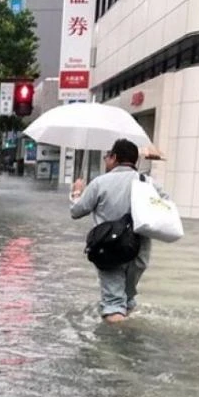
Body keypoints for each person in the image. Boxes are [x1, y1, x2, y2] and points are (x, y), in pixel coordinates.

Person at [70, 138, 165, 323]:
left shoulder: (100, 183)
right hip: (139, 252)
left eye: (107, 156)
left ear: (114, 157)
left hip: (109, 250)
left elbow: (76, 212)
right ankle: (130, 336)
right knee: (127, 300)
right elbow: (166, 207)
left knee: (113, 304)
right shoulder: (148, 183)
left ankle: (119, 345)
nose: (106, 160)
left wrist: (76, 192)